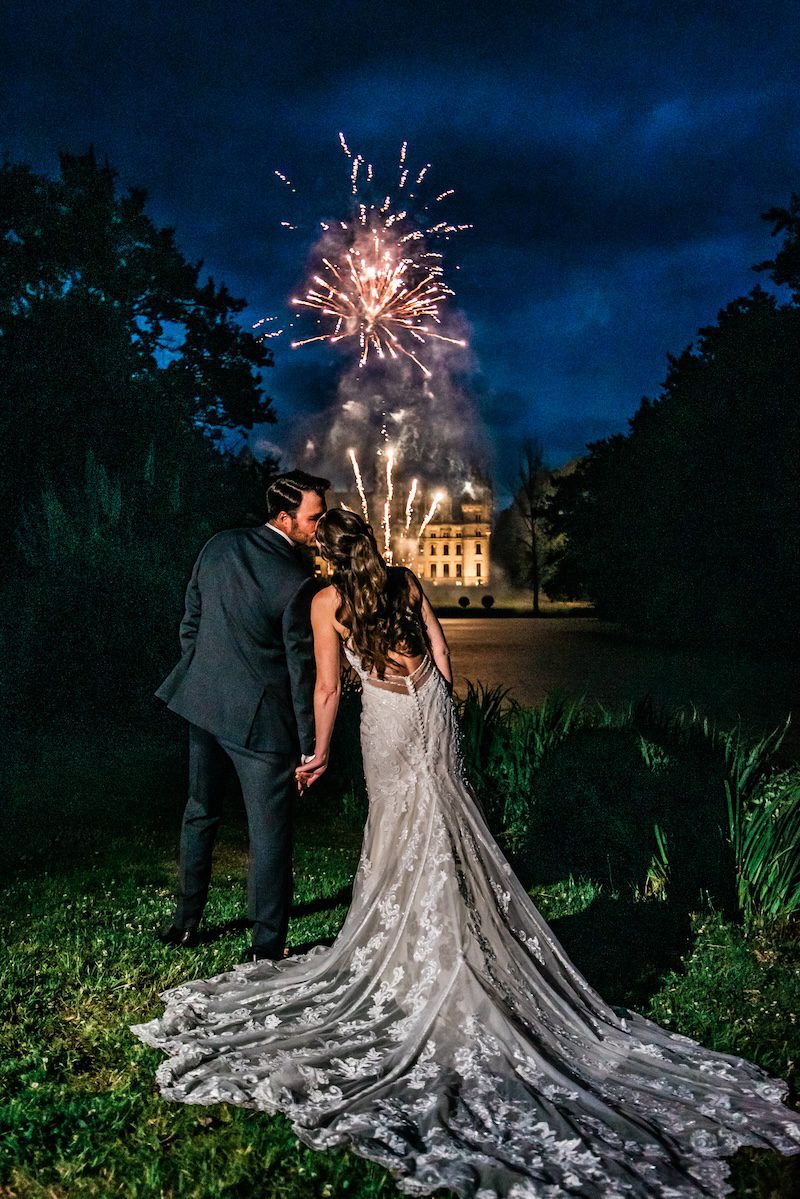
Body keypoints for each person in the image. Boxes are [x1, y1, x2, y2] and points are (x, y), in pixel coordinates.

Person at [133, 509, 800, 1198]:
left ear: (326, 556)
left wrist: (318, 751)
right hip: (431, 711)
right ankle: (461, 944)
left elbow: (329, 688)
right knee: (448, 829)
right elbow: (443, 658)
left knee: (397, 830)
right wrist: (442, 720)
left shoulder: (325, 599)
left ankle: (416, 958)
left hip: (387, 722)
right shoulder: (406, 578)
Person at [154, 470, 329, 963]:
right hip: (261, 725)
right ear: (284, 517)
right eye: (314, 518)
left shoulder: (218, 545)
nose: (319, 527)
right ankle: (266, 946)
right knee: (269, 832)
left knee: (199, 811)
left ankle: (186, 925)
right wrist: (307, 744)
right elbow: (301, 672)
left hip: (204, 704)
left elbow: (191, 617)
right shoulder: (299, 583)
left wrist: (199, 672)